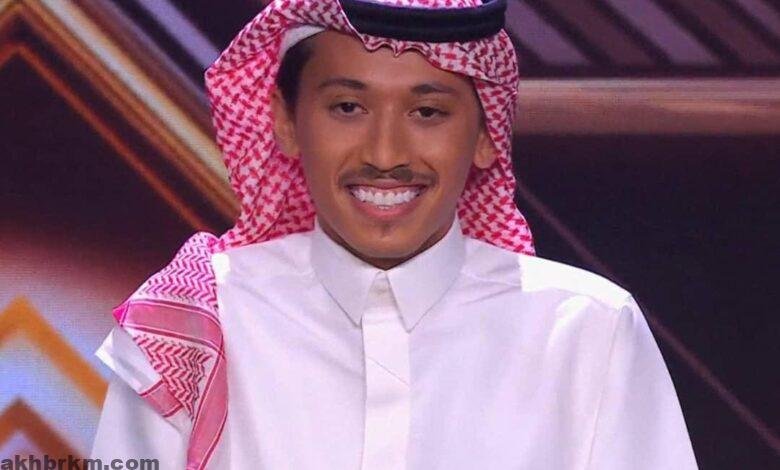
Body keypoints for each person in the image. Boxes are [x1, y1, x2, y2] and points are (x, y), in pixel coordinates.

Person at [91, 1, 698, 469]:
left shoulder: (585, 331)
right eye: (347, 108)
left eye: (427, 112)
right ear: (285, 121)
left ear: (487, 134)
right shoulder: (194, 324)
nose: (385, 155)